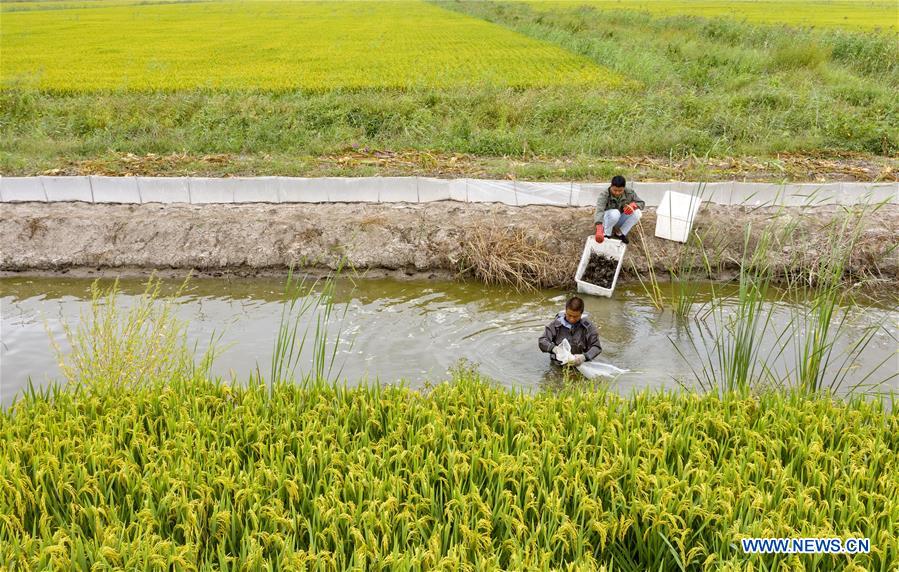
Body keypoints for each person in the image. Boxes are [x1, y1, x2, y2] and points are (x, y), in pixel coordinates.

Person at [537, 296, 602, 366]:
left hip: (580, 363)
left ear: (581, 314)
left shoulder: (588, 327)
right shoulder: (556, 324)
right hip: (558, 363)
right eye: (569, 315)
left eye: (576, 316)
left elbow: (596, 347)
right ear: (565, 311)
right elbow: (542, 340)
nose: (572, 319)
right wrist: (554, 349)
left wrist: (584, 357)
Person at [594, 175, 645, 245]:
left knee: (638, 213)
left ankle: (620, 233)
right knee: (615, 213)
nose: (617, 193)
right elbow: (599, 211)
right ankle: (606, 234)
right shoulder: (604, 195)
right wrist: (599, 228)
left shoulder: (629, 192)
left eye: (620, 190)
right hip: (606, 220)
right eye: (615, 190)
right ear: (611, 186)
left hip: (618, 219)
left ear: (624, 188)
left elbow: (641, 203)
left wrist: (634, 205)